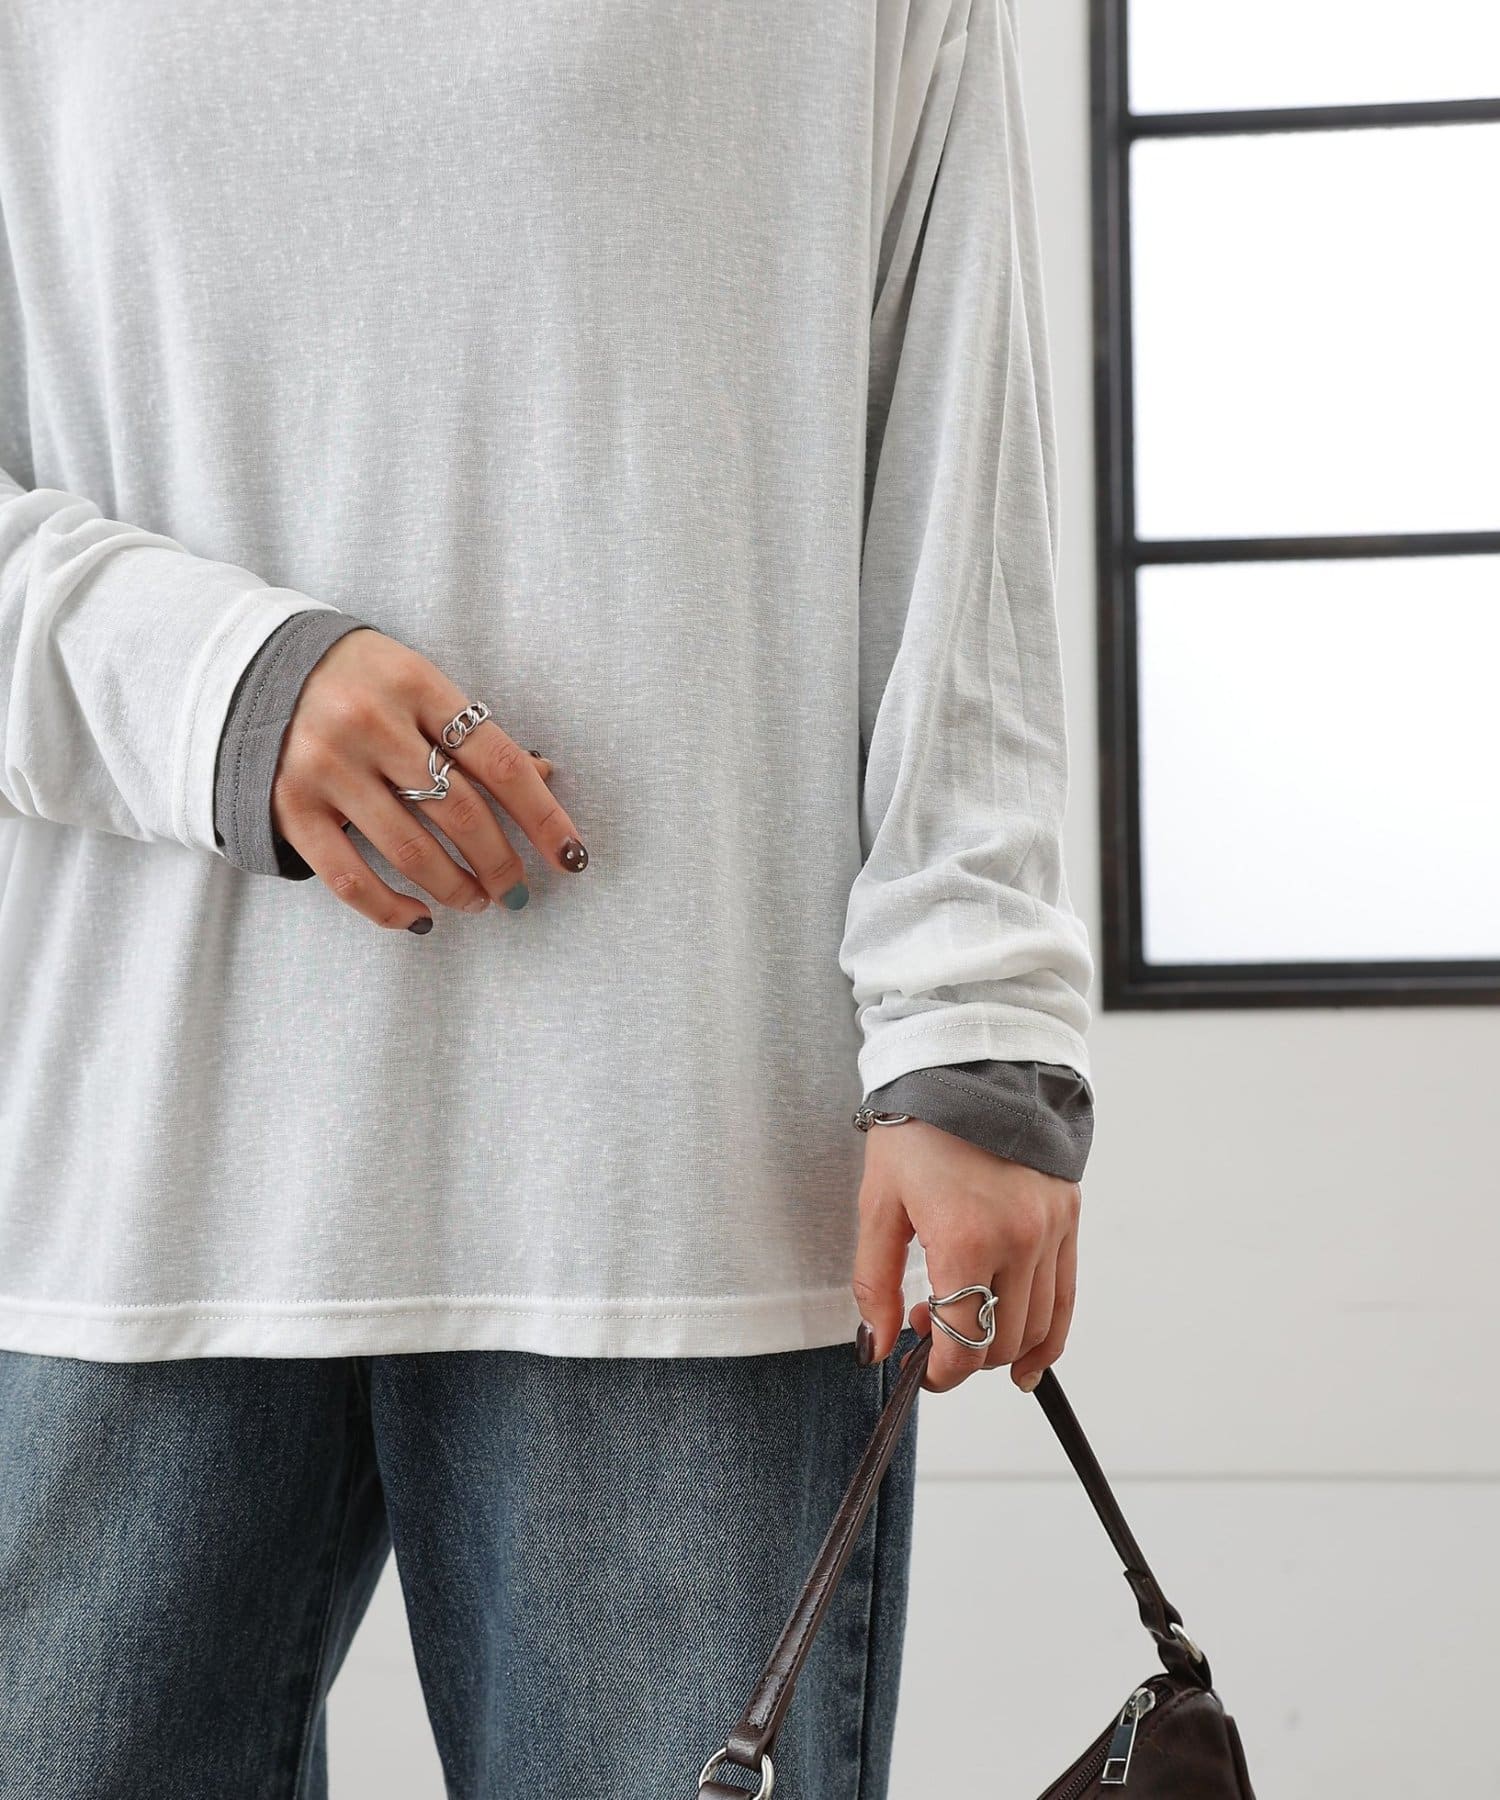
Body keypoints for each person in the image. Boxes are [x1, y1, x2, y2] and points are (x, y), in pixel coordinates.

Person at [0, 0, 1095, 1793]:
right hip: (123, 1180)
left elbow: (954, 444)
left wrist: (981, 1018)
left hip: (677, 1181)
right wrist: (211, 684)